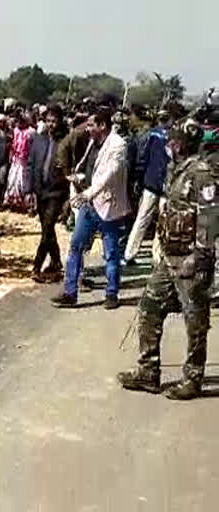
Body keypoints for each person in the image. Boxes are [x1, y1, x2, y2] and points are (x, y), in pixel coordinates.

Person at [117, 125, 218, 400]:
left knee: (195, 320)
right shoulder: (177, 170)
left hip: (191, 261)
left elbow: (209, 218)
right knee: (149, 306)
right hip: (169, 259)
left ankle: (193, 378)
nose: (167, 146)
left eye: (171, 142)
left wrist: (200, 258)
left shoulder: (201, 174)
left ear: (179, 144)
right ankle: (149, 371)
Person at [52, 111, 130, 309]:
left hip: (107, 206)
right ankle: (70, 292)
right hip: (89, 205)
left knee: (110, 252)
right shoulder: (92, 143)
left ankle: (112, 293)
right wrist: (77, 177)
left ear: (102, 125)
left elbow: (109, 175)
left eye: (90, 125)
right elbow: (90, 168)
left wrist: (88, 193)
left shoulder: (117, 145)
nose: (87, 129)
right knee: (75, 246)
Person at [123, 109, 171, 264]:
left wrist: (139, 178)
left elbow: (143, 158)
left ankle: (130, 254)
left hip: (153, 183)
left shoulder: (153, 135)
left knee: (144, 220)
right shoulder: (171, 136)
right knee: (159, 222)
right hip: (162, 185)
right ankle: (155, 256)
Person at [29, 104, 70, 282]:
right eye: (48, 121)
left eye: (54, 121)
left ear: (60, 122)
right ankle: (56, 261)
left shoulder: (66, 141)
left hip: (57, 192)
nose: (51, 124)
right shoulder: (39, 139)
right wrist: (30, 190)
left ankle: (36, 266)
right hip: (40, 190)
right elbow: (32, 165)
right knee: (48, 228)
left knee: (47, 229)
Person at [3, 113, 36, 212]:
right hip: (16, 159)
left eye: (22, 121)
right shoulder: (16, 130)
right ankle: (13, 202)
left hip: (26, 160)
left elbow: (34, 146)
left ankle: (25, 204)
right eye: (18, 121)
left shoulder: (31, 132)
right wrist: (11, 155)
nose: (19, 123)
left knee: (23, 181)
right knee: (12, 180)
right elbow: (13, 145)